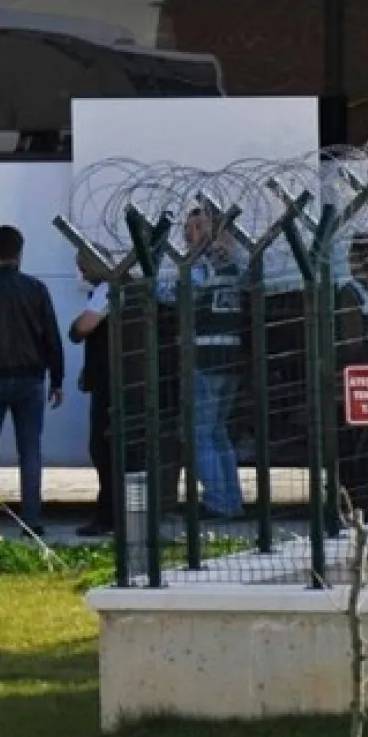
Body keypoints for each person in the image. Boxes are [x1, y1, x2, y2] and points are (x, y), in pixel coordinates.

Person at [0, 225, 65, 534]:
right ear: (19, 252)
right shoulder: (36, 289)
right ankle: (31, 521)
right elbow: (52, 338)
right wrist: (57, 379)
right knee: (30, 450)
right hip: (30, 379)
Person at [159, 208, 246, 521]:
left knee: (199, 434)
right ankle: (232, 500)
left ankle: (219, 502)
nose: (186, 236)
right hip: (231, 359)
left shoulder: (200, 265)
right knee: (218, 433)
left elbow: (173, 294)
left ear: (205, 230)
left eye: (191, 228)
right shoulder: (233, 263)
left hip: (203, 359)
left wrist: (151, 272)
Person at [69, 251, 114, 538]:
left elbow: (83, 327)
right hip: (110, 378)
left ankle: (107, 515)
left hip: (109, 383)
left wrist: (74, 328)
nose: (82, 275)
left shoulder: (106, 291)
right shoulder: (117, 287)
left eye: (84, 268)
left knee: (102, 449)